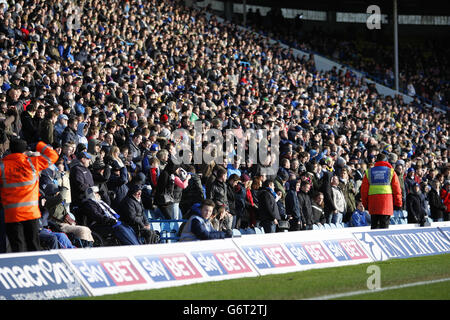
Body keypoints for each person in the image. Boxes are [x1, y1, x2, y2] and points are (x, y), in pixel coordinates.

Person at [0, 139, 59, 252]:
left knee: (17, 247)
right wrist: (38, 145)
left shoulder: (2, 167)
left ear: (10, 150)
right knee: (33, 245)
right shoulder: (32, 163)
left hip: (12, 215)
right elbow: (53, 155)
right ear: (25, 151)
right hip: (31, 213)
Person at [360, 153, 403, 229]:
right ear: (386, 161)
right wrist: (398, 204)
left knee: (374, 227)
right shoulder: (391, 172)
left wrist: (365, 204)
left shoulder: (369, 172)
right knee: (384, 229)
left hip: (373, 204)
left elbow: (364, 191)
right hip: (387, 205)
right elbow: (397, 190)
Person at [69, 151, 95, 224]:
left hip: (89, 199)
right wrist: (91, 190)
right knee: (83, 224)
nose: (90, 160)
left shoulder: (86, 169)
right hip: (81, 202)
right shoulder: (77, 169)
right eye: (88, 159)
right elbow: (80, 185)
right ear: (83, 159)